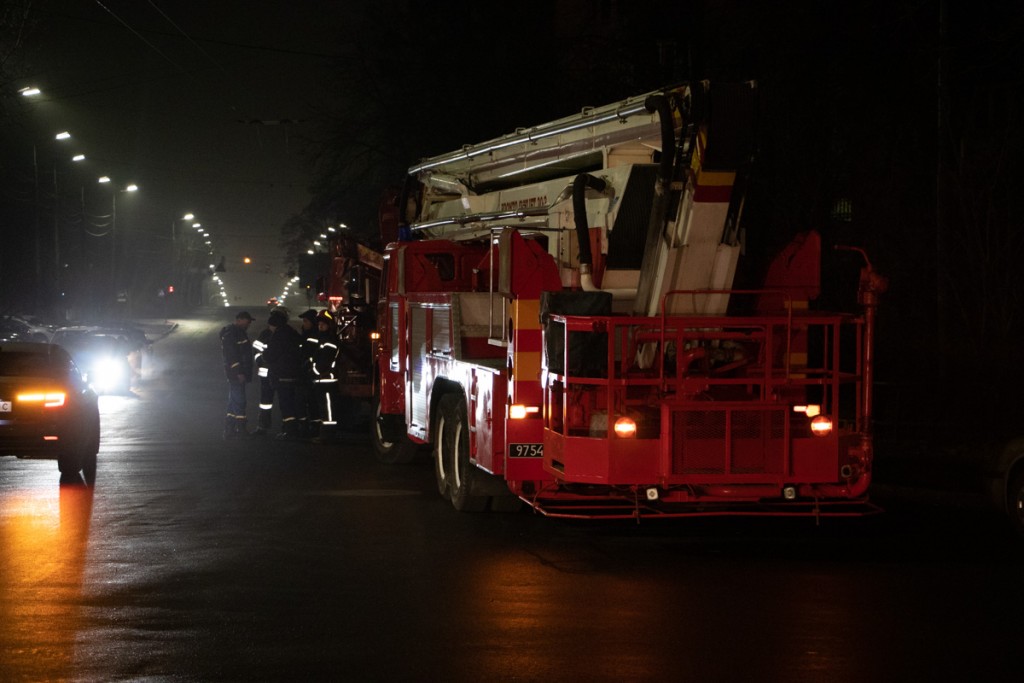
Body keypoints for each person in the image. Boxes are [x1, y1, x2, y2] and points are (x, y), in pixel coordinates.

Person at [262, 309, 304, 439]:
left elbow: (270, 355)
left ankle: (290, 430)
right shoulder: (292, 332)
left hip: (282, 374)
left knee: (285, 404)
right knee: (293, 402)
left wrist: (265, 355)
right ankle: (295, 428)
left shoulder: (278, 335)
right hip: (294, 373)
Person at [251, 306, 290, 436]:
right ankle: (267, 427)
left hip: (277, 373)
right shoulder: (266, 334)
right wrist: (261, 361)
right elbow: (256, 351)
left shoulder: (281, 334)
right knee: (269, 402)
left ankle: (283, 428)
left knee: (280, 401)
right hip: (271, 374)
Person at [219, 310, 254, 439]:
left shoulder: (238, 332)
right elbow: (231, 355)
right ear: (239, 320)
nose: (249, 323)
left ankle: (229, 429)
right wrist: (238, 371)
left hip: (238, 372)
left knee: (233, 399)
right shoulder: (232, 333)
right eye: (247, 321)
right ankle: (241, 428)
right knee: (240, 400)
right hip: (236, 373)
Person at [311, 310, 342, 443]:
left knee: (328, 407)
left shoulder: (329, 341)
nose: (320, 326)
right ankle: (325, 433)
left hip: (327, 379)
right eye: (319, 324)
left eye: (323, 324)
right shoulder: (323, 339)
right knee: (324, 407)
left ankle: (327, 435)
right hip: (322, 379)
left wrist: (315, 370)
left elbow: (324, 361)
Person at [297, 309, 321, 437]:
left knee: (311, 400)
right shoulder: (306, 334)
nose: (304, 323)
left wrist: (307, 366)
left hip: (310, 373)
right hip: (305, 373)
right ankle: (309, 425)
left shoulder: (313, 335)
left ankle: (314, 426)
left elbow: (310, 354)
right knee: (305, 400)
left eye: (306, 321)